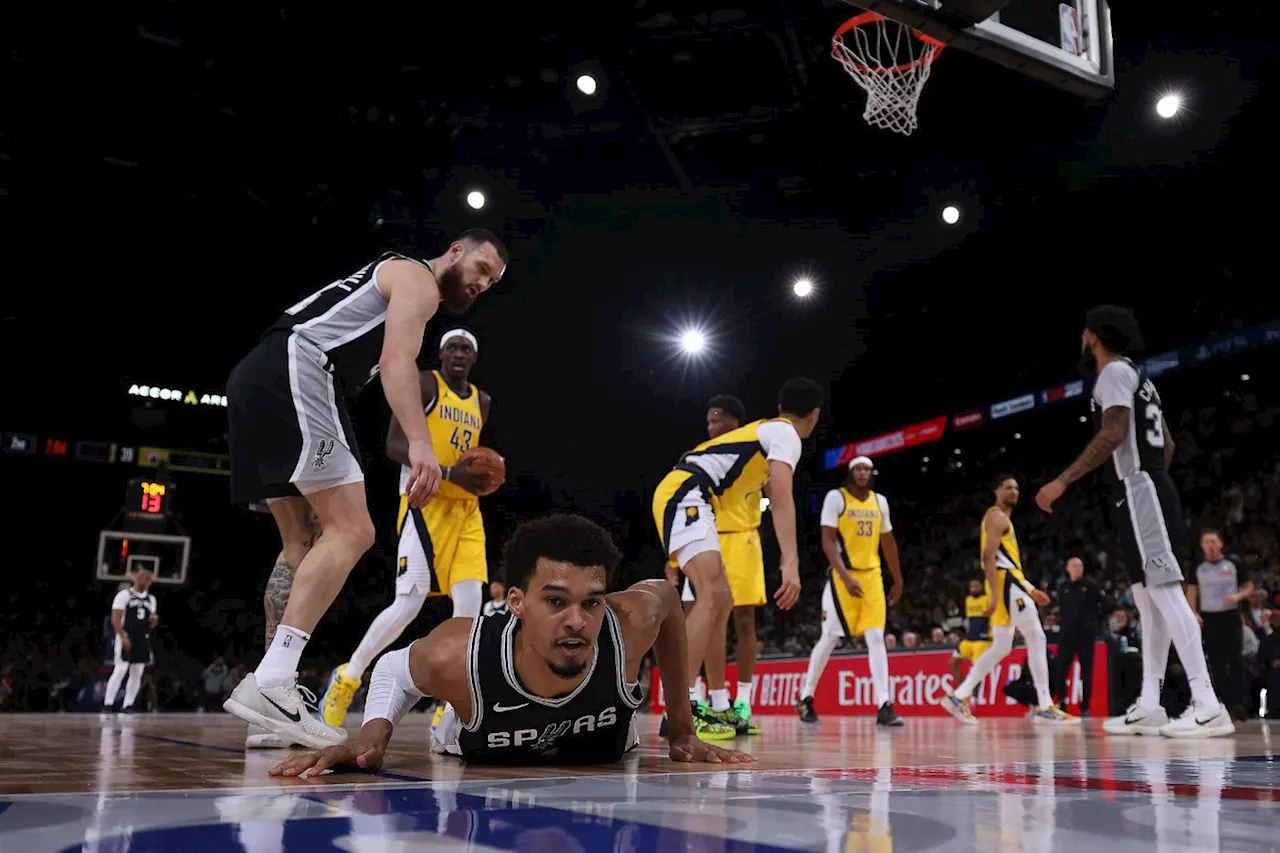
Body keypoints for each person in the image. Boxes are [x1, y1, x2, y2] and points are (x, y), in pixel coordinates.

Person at [223, 230, 507, 749]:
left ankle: (268, 701)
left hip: (256, 375)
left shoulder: (398, 281)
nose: (482, 283)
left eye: (492, 281)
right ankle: (272, 683)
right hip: (301, 366)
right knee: (353, 529)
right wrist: (422, 446)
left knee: (301, 542)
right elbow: (399, 363)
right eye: (481, 268)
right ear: (456, 251)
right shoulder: (419, 280)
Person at [268, 514, 754, 774]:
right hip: (471, 740)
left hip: (605, 753)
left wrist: (682, 729)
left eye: (591, 603)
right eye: (556, 601)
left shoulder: (628, 624)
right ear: (516, 602)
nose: (577, 622)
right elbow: (394, 669)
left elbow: (668, 599)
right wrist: (372, 742)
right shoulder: (461, 655)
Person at [1037, 305, 1233, 738]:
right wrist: (1150, 477)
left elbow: (1112, 432)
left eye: (1084, 335)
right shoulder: (1139, 378)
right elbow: (1168, 442)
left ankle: (1207, 702)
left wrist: (1062, 481)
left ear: (1094, 337)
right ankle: (1149, 702)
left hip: (1139, 488)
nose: (1081, 342)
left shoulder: (1112, 375)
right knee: (1147, 600)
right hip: (1141, 488)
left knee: (1164, 592)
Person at [322, 328, 497, 728]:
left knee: (469, 611)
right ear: (441, 354)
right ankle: (348, 678)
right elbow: (394, 445)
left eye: (465, 349)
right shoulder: (424, 383)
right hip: (424, 501)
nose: (458, 353)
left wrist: (481, 470)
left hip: (467, 511)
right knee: (408, 605)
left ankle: (453, 704)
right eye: (451, 347)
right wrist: (450, 471)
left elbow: (470, 452)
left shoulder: (483, 402)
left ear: (473, 358)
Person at [650, 378, 820, 740]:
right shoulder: (785, 434)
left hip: (693, 498)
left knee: (721, 598)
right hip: (688, 495)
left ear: (779, 407)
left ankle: (707, 702)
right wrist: (790, 561)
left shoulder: (761, 432)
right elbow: (780, 496)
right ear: (815, 416)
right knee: (711, 596)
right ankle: (682, 707)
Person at [939, 475, 1078, 726]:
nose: (1014, 491)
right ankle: (1045, 705)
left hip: (1010, 586)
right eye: (1008, 487)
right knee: (1036, 636)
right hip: (1005, 588)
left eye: (1016, 487)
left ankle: (958, 696)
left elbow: (1007, 563)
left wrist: (1031, 589)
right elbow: (988, 557)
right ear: (996, 491)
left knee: (1002, 647)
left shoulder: (1003, 520)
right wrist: (993, 594)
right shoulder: (997, 517)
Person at [669, 395, 768, 736]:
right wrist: (673, 560)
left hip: (744, 540)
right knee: (697, 618)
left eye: (718, 421)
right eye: (709, 422)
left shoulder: (758, 455)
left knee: (743, 623)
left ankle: (741, 702)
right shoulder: (696, 457)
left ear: (736, 424)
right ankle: (695, 699)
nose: (712, 427)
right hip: (704, 539)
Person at [796, 455, 905, 726]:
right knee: (831, 638)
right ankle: (806, 696)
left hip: (872, 577)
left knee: (877, 637)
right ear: (851, 472)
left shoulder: (880, 502)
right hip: (842, 579)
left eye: (867, 469)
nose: (863, 473)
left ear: (872, 473)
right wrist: (844, 577)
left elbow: (888, 542)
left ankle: (884, 704)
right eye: (858, 469)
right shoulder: (837, 498)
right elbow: (828, 542)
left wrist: (898, 579)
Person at [1185, 529, 1250, 721]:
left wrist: (1237, 596)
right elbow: (1192, 590)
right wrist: (1193, 613)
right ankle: (1220, 704)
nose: (1210, 545)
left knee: (1236, 660)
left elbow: (1249, 586)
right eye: (1206, 542)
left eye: (1213, 541)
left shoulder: (1234, 563)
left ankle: (1240, 705)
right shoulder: (1197, 566)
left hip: (1230, 617)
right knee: (1215, 663)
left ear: (1220, 543)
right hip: (1209, 619)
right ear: (1201, 545)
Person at [1052, 557, 1105, 714]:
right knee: (1061, 670)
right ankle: (1061, 704)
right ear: (1068, 568)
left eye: (1080, 566)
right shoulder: (1063, 587)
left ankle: (1085, 707)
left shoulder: (1090, 586)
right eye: (1074, 566)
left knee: (1086, 672)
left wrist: (1093, 624)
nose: (1078, 568)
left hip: (1085, 636)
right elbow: (1061, 609)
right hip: (1066, 636)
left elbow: (1104, 605)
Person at [102, 568, 158, 712]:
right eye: (143, 579)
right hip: (127, 636)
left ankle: (128, 705)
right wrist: (122, 635)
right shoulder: (124, 595)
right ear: (136, 579)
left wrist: (154, 621)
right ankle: (108, 704)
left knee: (137, 672)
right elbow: (115, 619)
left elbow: (150, 623)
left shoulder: (151, 599)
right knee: (120, 669)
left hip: (142, 638)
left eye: (149, 580)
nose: (146, 582)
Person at [948, 577, 992, 687]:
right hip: (970, 638)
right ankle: (963, 692)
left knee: (976, 671)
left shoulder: (988, 599)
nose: (974, 588)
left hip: (982, 640)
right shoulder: (968, 600)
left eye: (977, 586)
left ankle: (974, 698)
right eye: (972, 586)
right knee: (952, 663)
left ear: (982, 587)